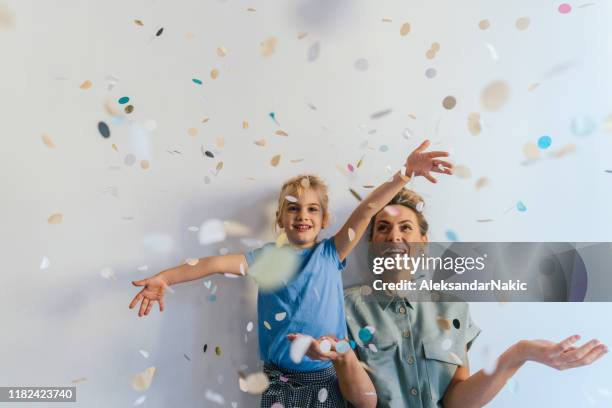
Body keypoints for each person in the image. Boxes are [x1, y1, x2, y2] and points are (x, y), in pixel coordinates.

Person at [127, 140, 453, 408]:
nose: (302, 215)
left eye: (312, 209)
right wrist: (165, 279)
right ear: (281, 219)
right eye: (294, 208)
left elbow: (367, 210)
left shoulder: (331, 253)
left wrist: (405, 173)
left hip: (329, 378)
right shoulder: (266, 259)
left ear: (324, 219)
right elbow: (212, 264)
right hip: (281, 384)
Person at [296, 188, 609, 408]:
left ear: (423, 241)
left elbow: (457, 400)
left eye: (406, 227)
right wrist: (346, 360)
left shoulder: (453, 307)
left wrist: (519, 353)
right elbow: (363, 402)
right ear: (372, 243)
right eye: (383, 228)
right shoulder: (343, 307)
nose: (394, 236)